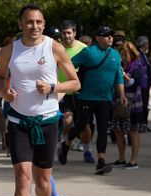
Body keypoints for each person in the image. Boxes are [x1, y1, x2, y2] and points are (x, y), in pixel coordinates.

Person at [0, 4, 80, 196]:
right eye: (30, 22)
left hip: (47, 122)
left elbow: (75, 83)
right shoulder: (10, 50)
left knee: (43, 183)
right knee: (22, 179)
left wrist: (53, 86)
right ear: (21, 24)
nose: (35, 26)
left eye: (39, 22)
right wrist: (4, 92)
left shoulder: (54, 47)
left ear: (44, 24)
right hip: (19, 122)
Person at [58, 26, 127, 175]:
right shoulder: (88, 52)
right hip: (86, 97)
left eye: (111, 35)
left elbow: (118, 76)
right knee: (81, 125)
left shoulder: (115, 54)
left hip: (105, 99)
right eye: (106, 35)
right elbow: (69, 65)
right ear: (97, 38)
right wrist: (73, 82)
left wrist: (121, 94)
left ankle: (101, 162)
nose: (110, 38)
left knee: (103, 129)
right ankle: (66, 144)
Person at [58, 20, 95, 164]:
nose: (67, 36)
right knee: (67, 120)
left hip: (81, 92)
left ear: (74, 33)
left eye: (69, 33)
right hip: (63, 91)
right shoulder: (56, 48)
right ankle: (62, 143)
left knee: (84, 125)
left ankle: (87, 151)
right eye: (64, 33)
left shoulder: (83, 48)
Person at [112, 41, 144, 169]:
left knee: (133, 131)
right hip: (119, 104)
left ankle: (133, 161)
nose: (123, 57)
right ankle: (121, 159)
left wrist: (125, 78)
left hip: (134, 104)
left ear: (132, 55)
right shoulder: (118, 66)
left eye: (126, 55)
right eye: (121, 55)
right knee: (118, 131)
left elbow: (135, 83)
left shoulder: (137, 68)